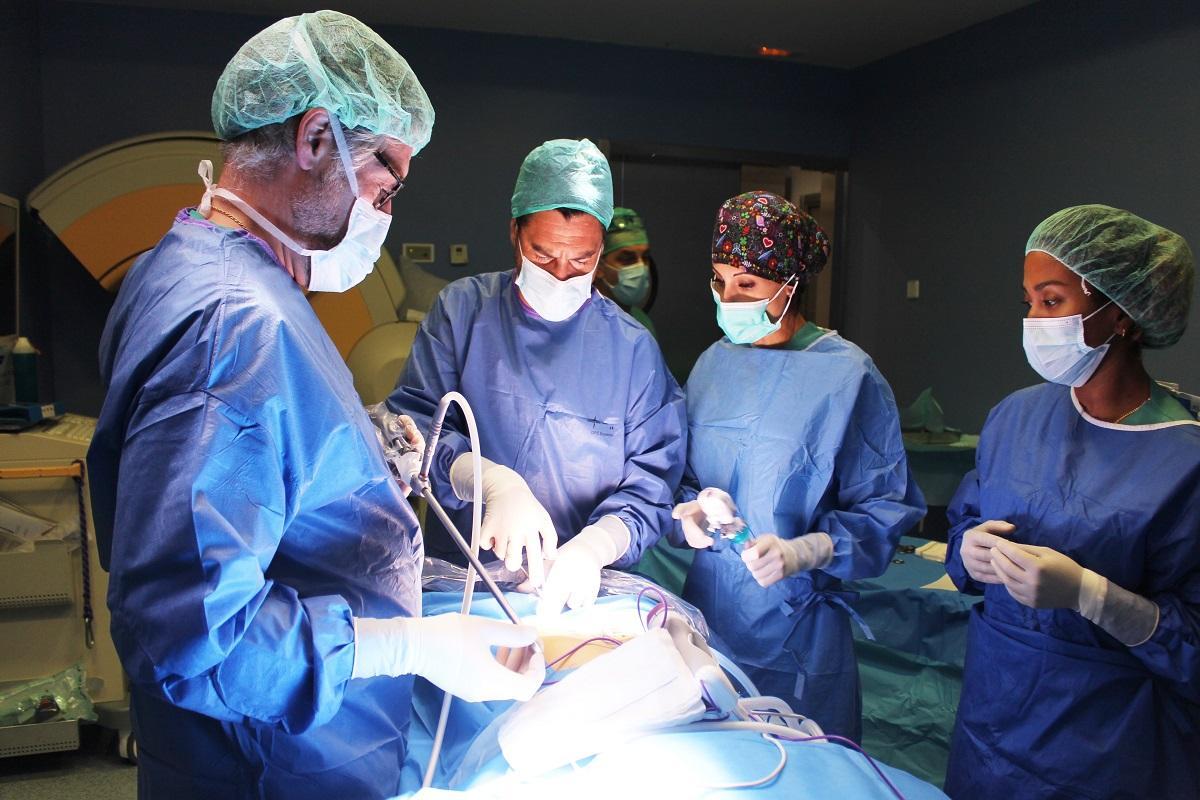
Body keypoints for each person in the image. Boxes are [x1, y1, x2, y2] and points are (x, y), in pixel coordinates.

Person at [86, 13, 542, 799]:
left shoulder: (194, 260)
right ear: (316, 139)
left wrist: (386, 446)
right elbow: (200, 638)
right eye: (387, 182)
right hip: (268, 760)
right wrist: (406, 648)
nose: (389, 211)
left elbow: (264, 445)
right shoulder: (237, 323)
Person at [944, 204, 1200, 799]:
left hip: (1109, 745)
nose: (1034, 320)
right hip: (994, 719)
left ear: (1124, 316)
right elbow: (963, 527)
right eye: (1029, 301)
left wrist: (1094, 596)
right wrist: (969, 553)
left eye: (1053, 300)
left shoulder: (1185, 461)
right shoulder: (1014, 416)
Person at [388, 139, 686, 614]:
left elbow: (653, 480)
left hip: (586, 595)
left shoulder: (633, 352)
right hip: (465, 584)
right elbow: (413, 431)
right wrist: (490, 482)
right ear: (515, 234)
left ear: (601, 250)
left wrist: (595, 547)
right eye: (544, 256)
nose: (562, 274)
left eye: (582, 260)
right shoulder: (463, 312)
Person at [670, 191, 925, 741]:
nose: (727, 297)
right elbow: (685, 472)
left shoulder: (848, 376)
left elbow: (883, 509)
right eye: (718, 280)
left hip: (798, 629)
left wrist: (804, 551)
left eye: (747, 283)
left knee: (803, 766)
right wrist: (688, 510)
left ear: (789, 283)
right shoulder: (713, 365)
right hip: (707, 614)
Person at [595, 206, 658, 336]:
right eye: (627, 259)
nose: (641, 267)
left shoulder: (641, 322)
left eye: (645, 257)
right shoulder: (584, 325)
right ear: (599, 266)